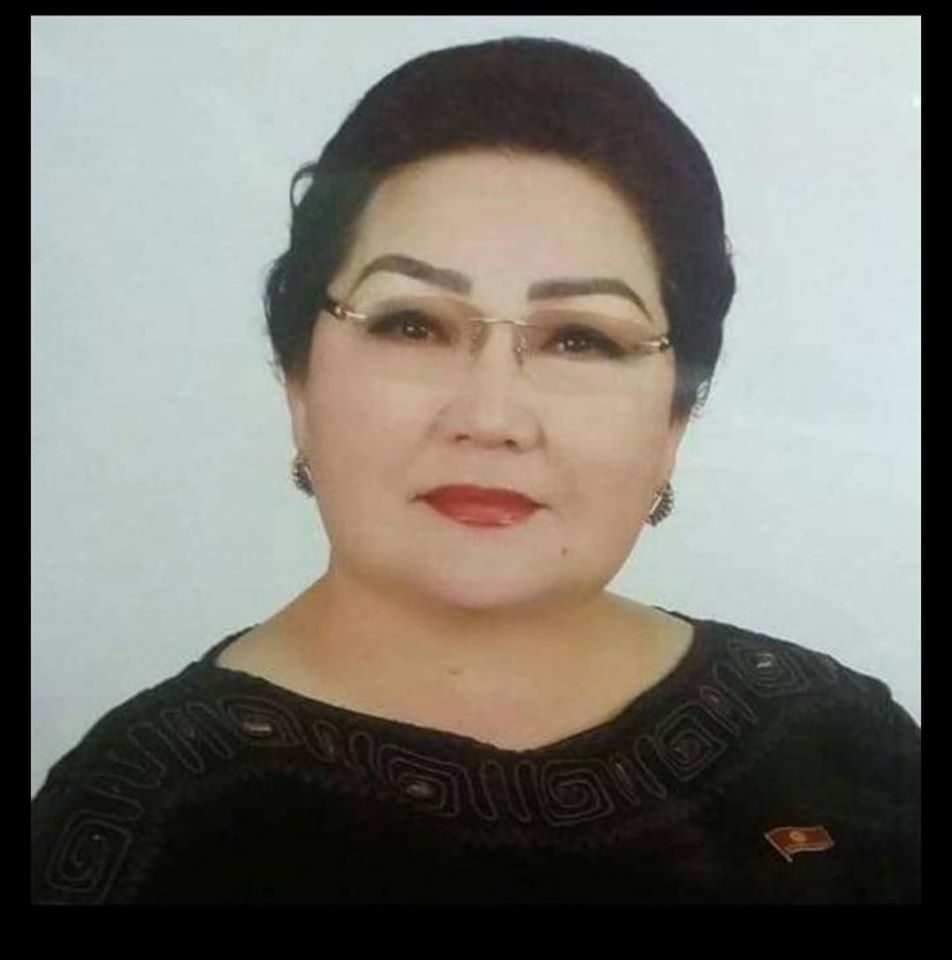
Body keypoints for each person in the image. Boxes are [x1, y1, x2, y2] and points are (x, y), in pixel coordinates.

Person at [30, 36, 919, 905]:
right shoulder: (141, 820)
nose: (490, 418)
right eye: (412, 325)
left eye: (582, 339)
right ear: (299, 380)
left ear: (674, 419)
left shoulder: (838, 742)